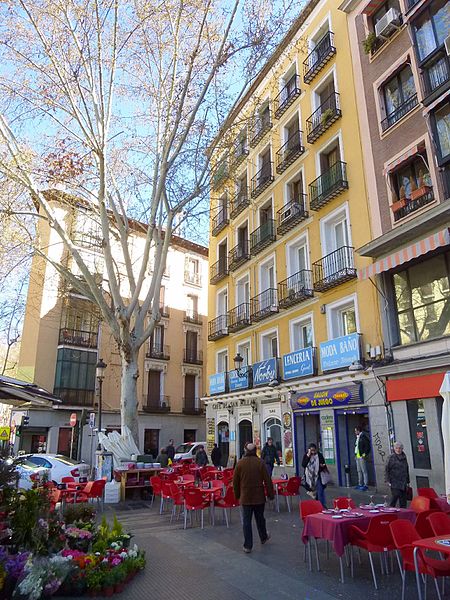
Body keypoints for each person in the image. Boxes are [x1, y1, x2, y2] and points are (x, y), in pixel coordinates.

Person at [233, 443, 274, 553]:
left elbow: (235, 482)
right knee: (260, 518)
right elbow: (267, 480)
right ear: (255, 450)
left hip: (245, 497)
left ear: (245, 450)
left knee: (247, 521)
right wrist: (271, 494)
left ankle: (248, 545)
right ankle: (263, 536)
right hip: (258, 496)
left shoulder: (240, 463)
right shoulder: (260, 462)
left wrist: (237, 495)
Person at [302, 443, 327, 508]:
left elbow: (323, 463)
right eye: (311, 450)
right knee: (315, 492)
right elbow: (303, 465)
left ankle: (322, 506)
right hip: (309, 477)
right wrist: (308, 456)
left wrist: (322, 466)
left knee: (320, 491)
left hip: (318, 476)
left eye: (314, 450)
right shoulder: (306, 455)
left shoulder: (319, 455)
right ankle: (318, 504)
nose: (313, 452)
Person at [385, 441, 410, 508]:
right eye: (397, 448)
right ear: (394, 449)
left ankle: (403, 513)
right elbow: (387, 469)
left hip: (403, 481)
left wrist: (408, 481)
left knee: (403, 499)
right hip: (394, 480)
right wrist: (387, 480)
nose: (398, 450)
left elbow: (406, 469)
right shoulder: (391, 457)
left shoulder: (404, 457)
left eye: (400, 448)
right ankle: (390, 511)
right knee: (395, 496)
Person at [354, 426, 371, 491]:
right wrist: (355, 455)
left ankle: (365, 484)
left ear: (359, 431)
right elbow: (356, 447)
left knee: (364, 471)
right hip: (357, 456)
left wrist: (364, 454)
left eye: (356, 431)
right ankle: (360, 483)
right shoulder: (358, 438)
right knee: (359, 471)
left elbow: (367, 446)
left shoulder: (363, 437)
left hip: (361, 456)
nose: (355, 432)